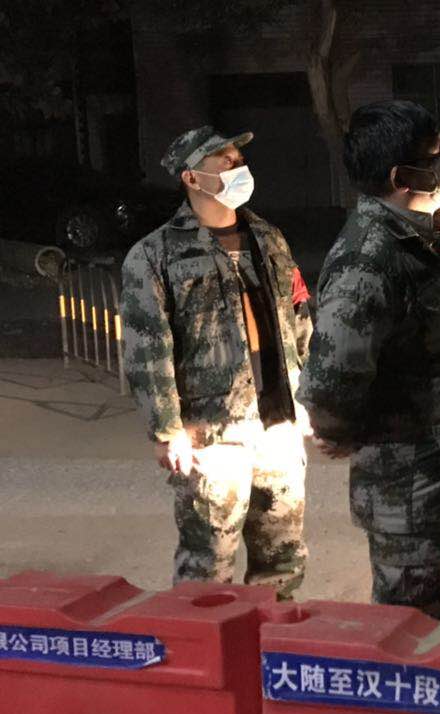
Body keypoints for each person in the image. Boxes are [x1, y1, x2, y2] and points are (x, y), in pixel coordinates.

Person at [298, 99, 440, 620]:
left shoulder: (417, 238)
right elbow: (329, 385)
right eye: (437, 154)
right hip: (408, 494)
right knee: (413, 638)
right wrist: (339, 431)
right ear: (402, 177)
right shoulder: (369, 256)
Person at [121, 125, 311, 597]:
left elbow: (300, 316)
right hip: (211, 436)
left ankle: (275, 639)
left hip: (277, 424)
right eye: (224, 161)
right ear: (191, 177)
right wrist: (166, 429)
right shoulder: (154, 255)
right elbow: (147, 348)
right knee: (207, 567)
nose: (237, 166)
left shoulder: (268, 238)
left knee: (283, 562)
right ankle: (205, 643)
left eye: (238, 159)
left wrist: (308, 396)